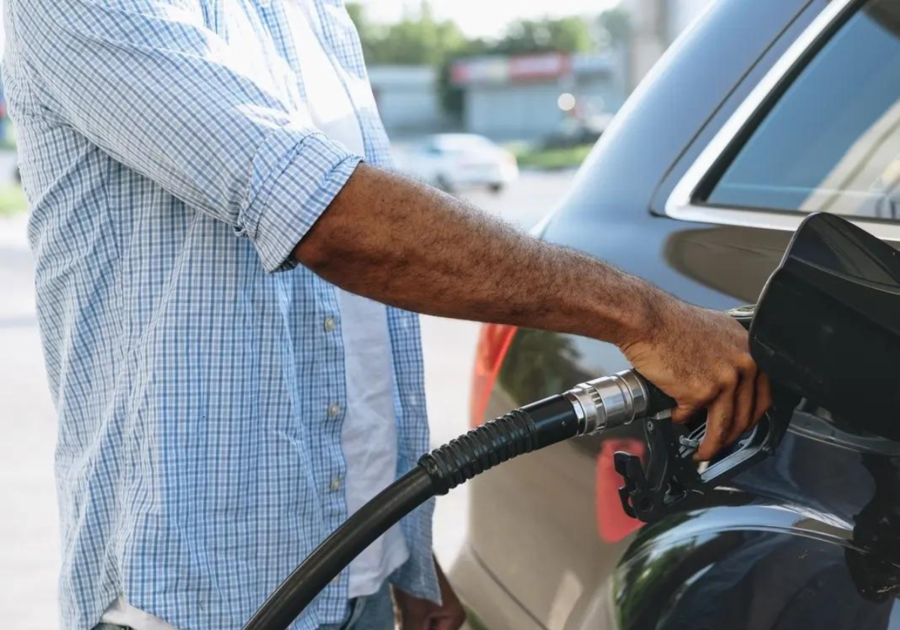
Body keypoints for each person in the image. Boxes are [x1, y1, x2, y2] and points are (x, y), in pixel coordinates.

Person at [3, 1, 771, 629]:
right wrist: (647, 318)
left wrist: (407, 554)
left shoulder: (313, 18)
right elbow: (338, 226)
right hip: (192, 601)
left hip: (355, 576)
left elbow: (350, 336)